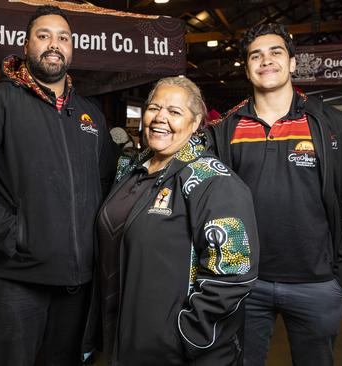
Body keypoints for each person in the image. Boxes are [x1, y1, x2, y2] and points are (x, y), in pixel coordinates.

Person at [0, 5, 115, 366]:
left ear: (72, 48)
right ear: (25, 45)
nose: (54, 44)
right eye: (44, 36)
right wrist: (14, 233)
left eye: (63, 38)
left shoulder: (90, 114)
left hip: (77, 283)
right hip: (17, 281)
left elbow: (103, 183)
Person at [204, 23, 342, 366]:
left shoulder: (331, 125)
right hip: (246, 284)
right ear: (247, 66)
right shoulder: (227, 129)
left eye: (275, 52)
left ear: (293, 63)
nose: (265, 61)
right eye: (256, 55)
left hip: (317, 285)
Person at [83, 76, 259, 365]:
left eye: (174, 112)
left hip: (172, 351)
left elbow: (235, 275)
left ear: (195, 122)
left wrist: (183, 336)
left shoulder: (213, 180)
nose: (160, 118)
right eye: (154, 108)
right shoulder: (130, 168)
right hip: (123, 338)